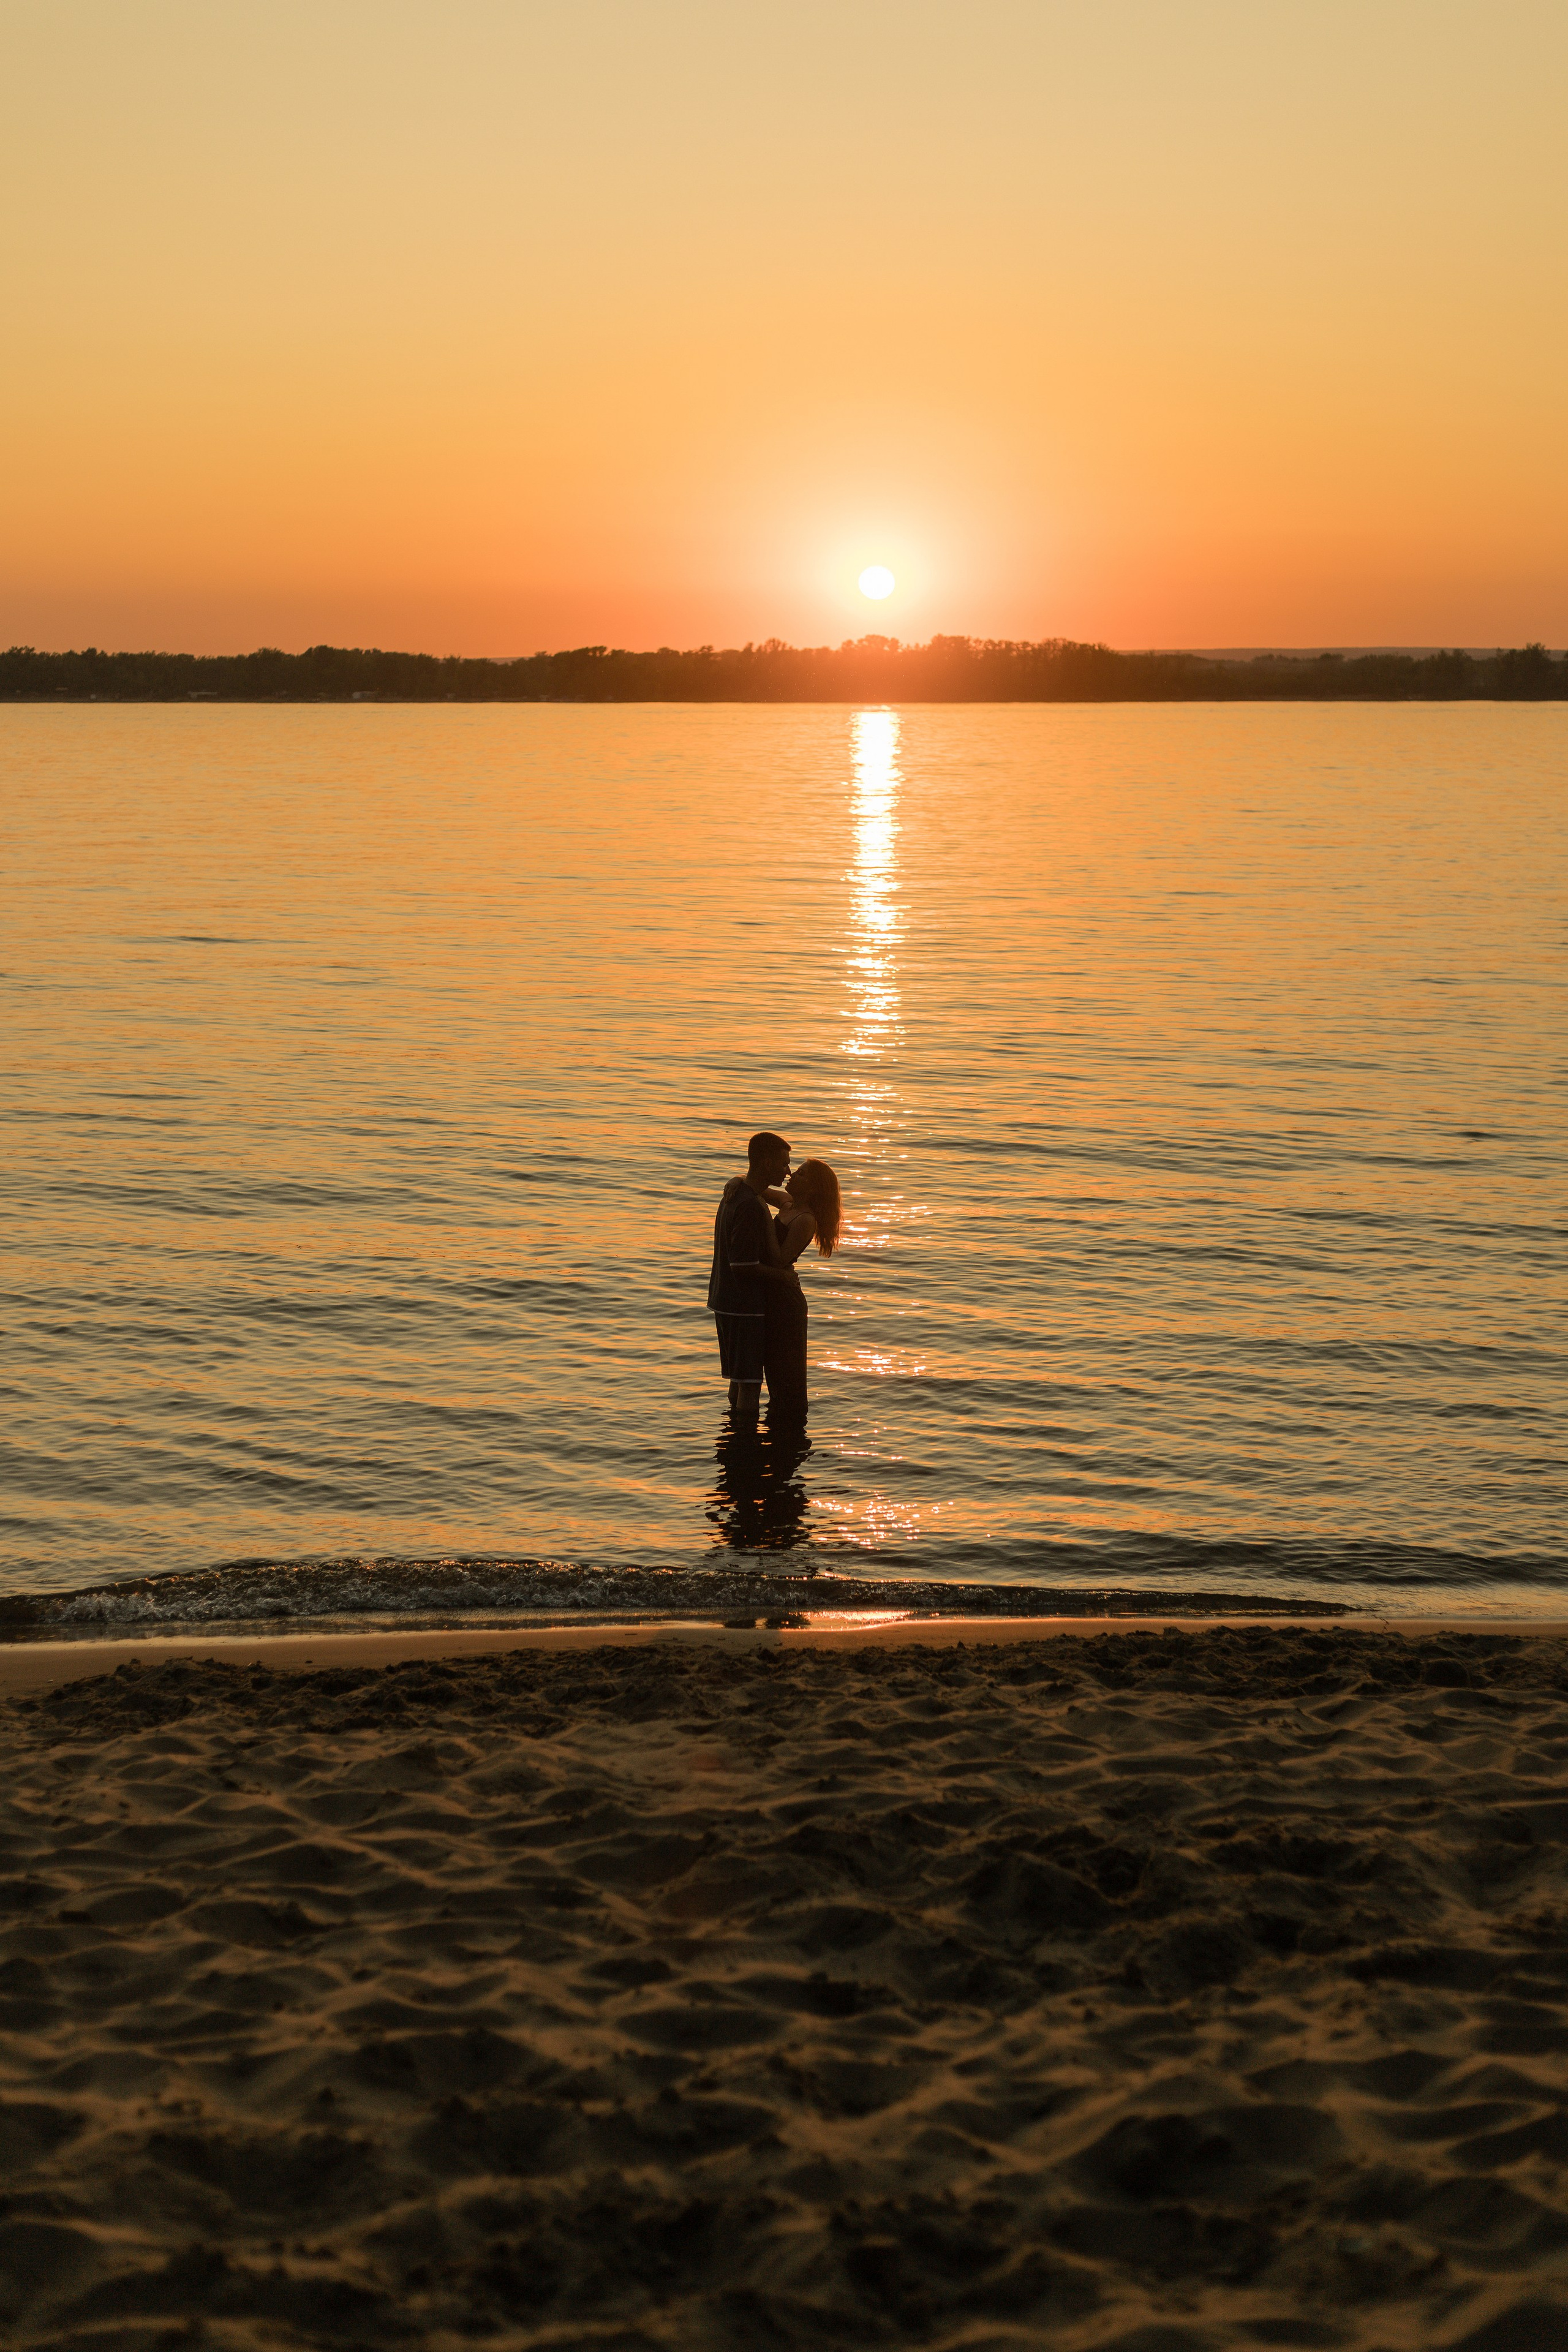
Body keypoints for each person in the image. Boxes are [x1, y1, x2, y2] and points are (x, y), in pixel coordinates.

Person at [707, 1132, 796, 1419]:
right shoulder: (747, 1204)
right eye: (784, 1164)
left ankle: (734, 1438)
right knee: (750, 1386)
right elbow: (743, 1267)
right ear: (767, 1162)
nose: (788, 1170)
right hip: (742, 1306)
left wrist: (737, 1178)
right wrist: (782, 1277)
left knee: (739, 1379)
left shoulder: (741, 1194)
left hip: (726, 1300)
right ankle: (745, 1447)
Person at [758, 1158, 843, 1423]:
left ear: (814, 1188)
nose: (793, 1174)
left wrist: (761, 1230)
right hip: (774, 1293)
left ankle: (790, 1430)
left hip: (786, 1302)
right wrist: (734, 1182)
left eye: (802, 1174)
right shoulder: (788, 1204)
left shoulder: (806, 1219)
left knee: (787, 1370)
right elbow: (756, 1187)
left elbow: (781, 1260)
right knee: (772, 1366)